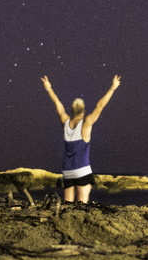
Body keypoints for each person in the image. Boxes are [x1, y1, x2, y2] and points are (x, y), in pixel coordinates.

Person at [41, 74, 121, 204]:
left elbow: (58, 105)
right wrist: (112, 88)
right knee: (82, 205)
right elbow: (100, 106)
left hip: (67, 171)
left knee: (67, 204)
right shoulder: (86, 123)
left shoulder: (65, 122)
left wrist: (48, 88)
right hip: (82, 170)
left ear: (71, 111)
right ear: (84, 111)